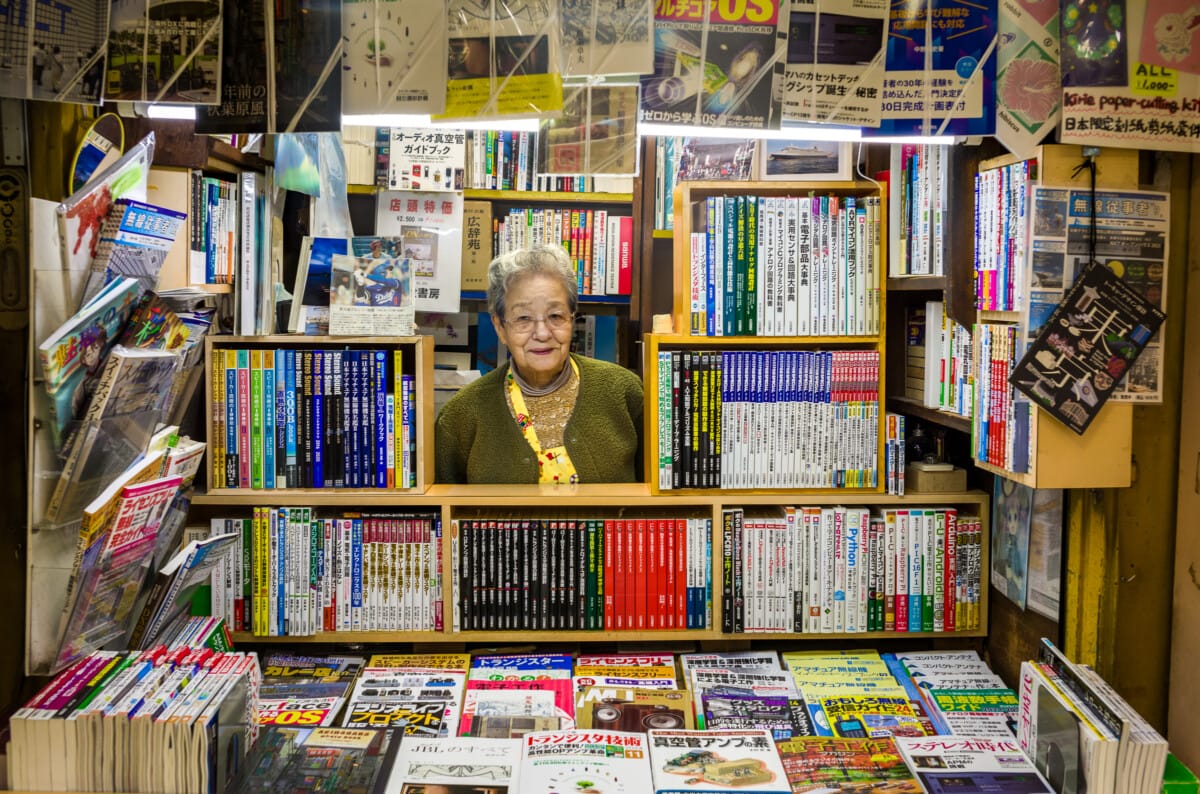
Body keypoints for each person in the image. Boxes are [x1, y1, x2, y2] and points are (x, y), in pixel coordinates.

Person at [435, 245, 642, 484]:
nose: (542, 333)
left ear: (572, 318)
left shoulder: (623, 391)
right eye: (523, 318)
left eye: (556, 316)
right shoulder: (462, 414)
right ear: (500, 327)